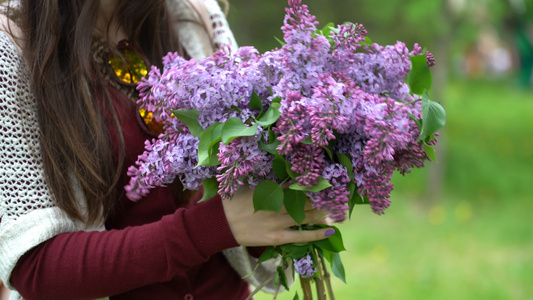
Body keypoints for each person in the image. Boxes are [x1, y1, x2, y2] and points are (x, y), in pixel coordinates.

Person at [0, 0, 332, 299]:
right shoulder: (14, 46)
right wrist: (210, 228)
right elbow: (35, 265)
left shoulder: (192, 16)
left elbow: (240, 181)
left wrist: (282, 204)